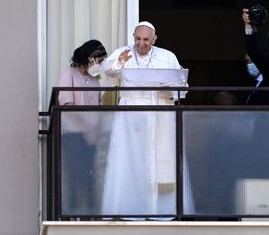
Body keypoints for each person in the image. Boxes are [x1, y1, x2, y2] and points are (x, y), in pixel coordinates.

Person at [101, 21, 187, 216]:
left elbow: (182, 85)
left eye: (146, 39)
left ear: (154, 39)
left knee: (158, 163)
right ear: (133, 37)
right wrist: (120, 62)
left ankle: (160, 211)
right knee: (129, 160)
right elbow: (108, 72)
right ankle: (129, 210)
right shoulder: (123, 52)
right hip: (131, 115)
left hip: (160, 113)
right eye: (138, 39)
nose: (141, 43)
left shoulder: (167, 56)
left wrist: (169, 89)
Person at [57, 39, 107, 215]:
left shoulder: (95, 81)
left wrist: (96, 131)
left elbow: (100, 109)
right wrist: (86, 128)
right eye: (98, 60)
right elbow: (67, 104)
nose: (100, 64)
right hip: (74, 135)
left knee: (90, 177)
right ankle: (72, 215)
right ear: (89, 57)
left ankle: (90, 214)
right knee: (74, 175)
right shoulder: (69, 74)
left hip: (92, 138)